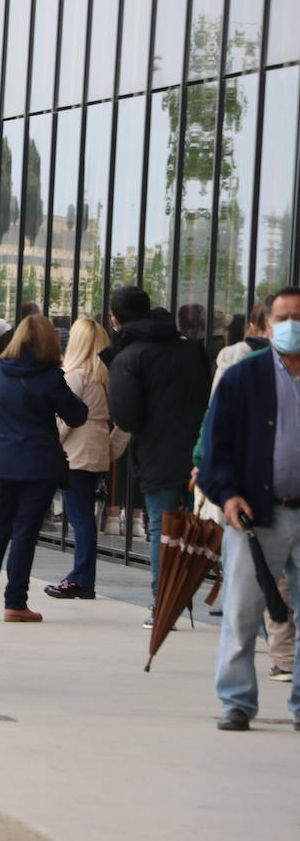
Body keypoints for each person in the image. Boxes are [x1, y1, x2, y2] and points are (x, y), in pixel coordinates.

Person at [198, 287, 300, 731]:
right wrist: (227, 494)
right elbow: (214, 445)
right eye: (283, 317)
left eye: (298, 316)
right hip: (257, 512)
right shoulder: (245, 376)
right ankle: (237, 701)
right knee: (241, 610)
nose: (291, 325)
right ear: (266, 323)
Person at [102, 285, 212, 626]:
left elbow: (128, 418)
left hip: (157, 455)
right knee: (197, 526)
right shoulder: (191, 348)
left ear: (116, 319)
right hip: (198, 451)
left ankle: (162, 602)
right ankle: (193, 595)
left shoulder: (129, 356)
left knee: (161, 529)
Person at [0, 315, 87, 623]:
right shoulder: (50, 377)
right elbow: (76, 415)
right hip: (37, 464)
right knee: (24, 532)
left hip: (0, 460)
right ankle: (15, 603)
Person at [45, 318, 128, 600]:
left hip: (76, 453)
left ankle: (82, 578)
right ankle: (82, 577)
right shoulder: (107, 376)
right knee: (86, 517)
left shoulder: (76, 375)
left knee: (80, 518)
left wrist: (50, 441)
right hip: (98, 451)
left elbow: (66, 419)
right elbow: (124, 420)